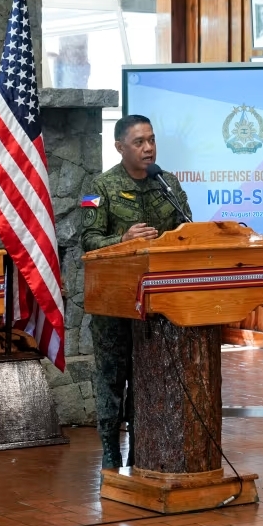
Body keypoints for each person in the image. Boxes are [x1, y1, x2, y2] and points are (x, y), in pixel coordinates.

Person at [80, 115, 191, 470]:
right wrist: (123, 240)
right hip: (114, 304)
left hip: (158, 304)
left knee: (147, 376)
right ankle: (110, 450)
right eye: (139, 142)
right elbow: (87, 241)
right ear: (119, 147)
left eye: (152, 140)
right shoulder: (99, 186)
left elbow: (188, 231)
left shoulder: (167, 183)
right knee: (113, 378)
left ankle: (142, 447)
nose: (148, 148)